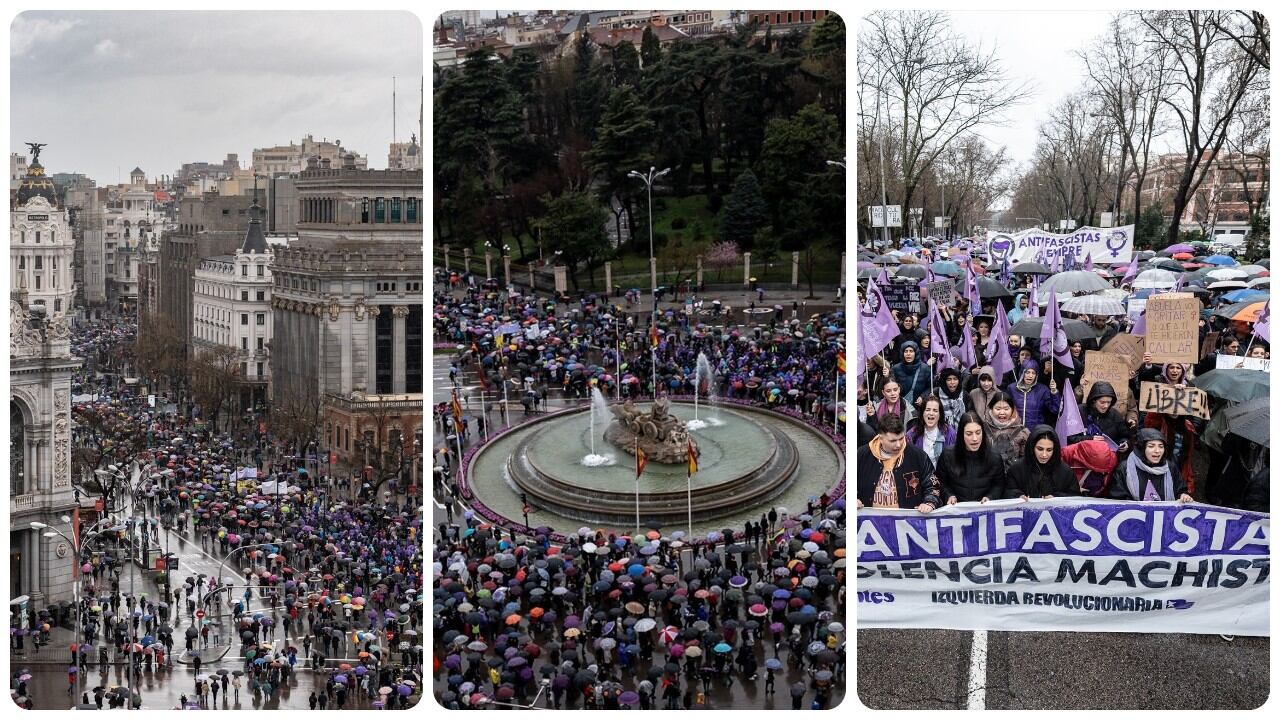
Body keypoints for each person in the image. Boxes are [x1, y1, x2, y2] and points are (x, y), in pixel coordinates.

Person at [855, 412, 941, 512]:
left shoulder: (918, 455)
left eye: (901, 438)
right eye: (893, 441)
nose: (898, 445)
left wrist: (930, 502)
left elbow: (933, 484)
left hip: (906, 520)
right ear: (881, 438)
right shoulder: (862, 455)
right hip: (870, 520)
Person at [937, 412, 1006, 504]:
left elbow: (999, 485)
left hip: (983, 509)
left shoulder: (994, 457)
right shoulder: (947, 455)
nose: (975, 438)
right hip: (956, 509)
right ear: (961, 434)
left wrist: (990, 497)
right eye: (969, 434)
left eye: (978, 433)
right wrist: (949, 496)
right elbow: (940, 483)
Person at [1111, 428, 1194, 502]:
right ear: (1141, 448)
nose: (1157, 451)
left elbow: (1181, 490)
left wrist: (1183, 496)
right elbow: (1117, 499)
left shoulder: (1171, 468)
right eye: (1151, 446)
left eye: (1161, 446)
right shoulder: (1124, 468)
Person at [1006, 425, 1078, 499]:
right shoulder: (1017, 469)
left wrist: (1057, 497)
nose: (1044, 455)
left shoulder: (1065, 471)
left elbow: (1075, 496)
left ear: (1055, 449)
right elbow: (1007, 491)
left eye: (1049, 450)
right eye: (1040, 449)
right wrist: (1018, 496)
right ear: (1032, 447)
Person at [1005, 359, 1060, 429]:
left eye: (1033, 373)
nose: (1030, 376)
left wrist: (1054, 392)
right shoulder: (1011, 388)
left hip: (1035, 431)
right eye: (1027, 372)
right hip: (1015, 430)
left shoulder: (1042, 390)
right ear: (1022, 373)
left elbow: (1055, 409)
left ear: (1036, 375)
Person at [982, 391, 1030, 469]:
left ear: (1012, 410)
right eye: (998, 409)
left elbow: (1026, 460)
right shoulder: (982, 429)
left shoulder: (1022, 432)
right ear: (991, 408)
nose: (1002, 412)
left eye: (1006, 409)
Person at [905, 396, 955, 467]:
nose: (931, 413)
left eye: (935, 410)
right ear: (922, 413)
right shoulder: (911, 434)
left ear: (940, 414)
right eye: (928, 410)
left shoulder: (949, 433)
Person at [890, 341, 931, 407]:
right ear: (902, 353)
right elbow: (891, 386)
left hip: (919, 407)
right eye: (906, 351)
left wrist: (923, 396)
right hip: (900, 406)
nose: (908, 354)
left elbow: (930, 387)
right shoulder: (895, 369)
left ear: (916, 353)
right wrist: (886, 376)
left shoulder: (925, 368)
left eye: (911, 351)